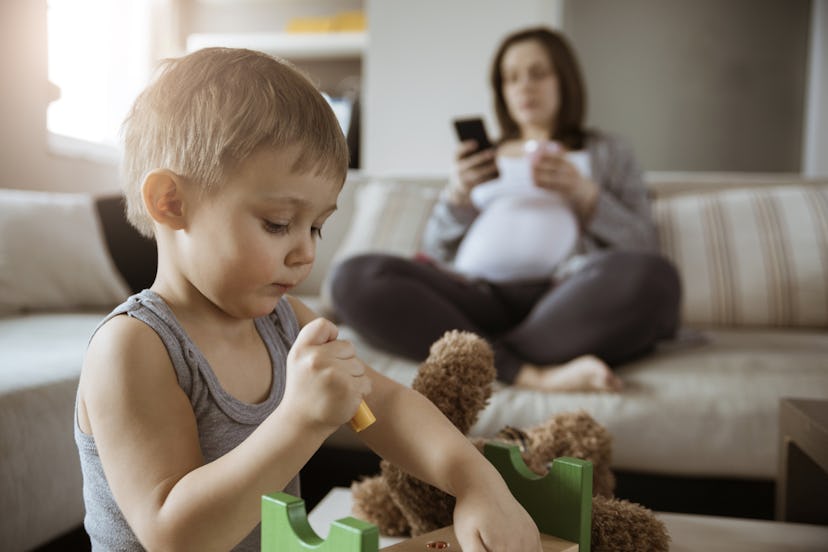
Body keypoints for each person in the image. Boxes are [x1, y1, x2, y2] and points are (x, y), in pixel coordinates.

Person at [74, 47, 541, 552]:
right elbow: (175, 536)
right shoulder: (134, 348)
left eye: (317, 226)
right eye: (278, 223)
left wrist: (477, 482)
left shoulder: (285, 323)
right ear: (171, 203)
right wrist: (300, 419)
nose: (306, 251)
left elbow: (387, 405)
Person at [331, 27, 681, 393]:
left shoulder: (607, 151)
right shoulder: (484, 156)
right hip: (474, 299)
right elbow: (434, 252)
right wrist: (458, 196)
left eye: (538, 73)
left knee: (656, 277)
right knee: (353, 277)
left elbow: (642, 243)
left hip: (565, 299)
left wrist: (585, 194)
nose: (523, 87)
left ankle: (486, 353)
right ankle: (529, 372)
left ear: (565, 79)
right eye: (510, 78)